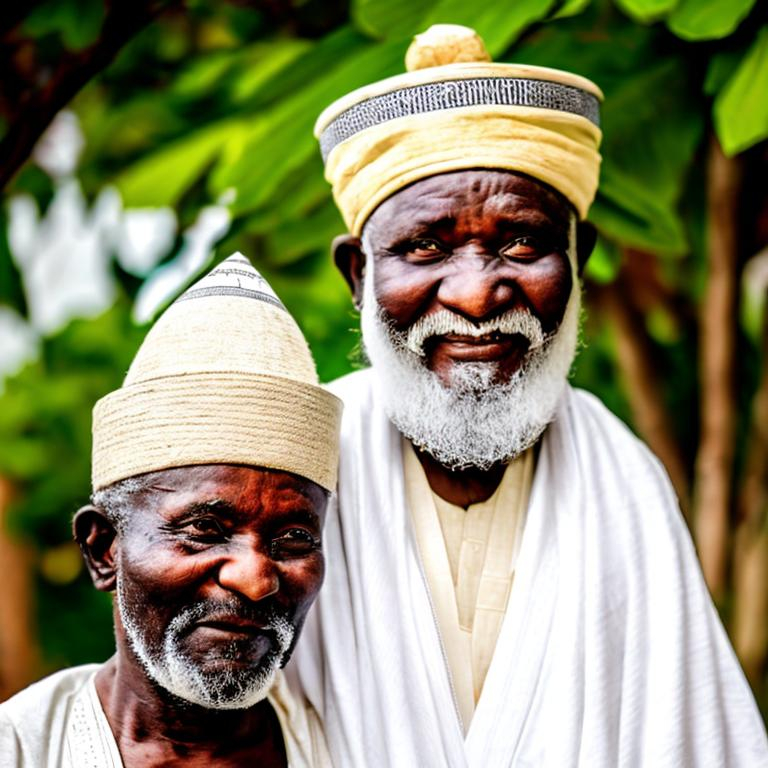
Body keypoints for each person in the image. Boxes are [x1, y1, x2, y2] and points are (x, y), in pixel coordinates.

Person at [293, 24, 768, 767]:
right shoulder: (291, 469)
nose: (477, 295)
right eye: (425, 247)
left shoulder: (626, 484)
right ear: (358, 275)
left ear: (580, 260)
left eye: (521, 243)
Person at [0, 253, 342, 767]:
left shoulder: (359, 743)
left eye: (293, 540)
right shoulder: (23, 748)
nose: (254, 580)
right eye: (205, 529)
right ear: (103, 550)